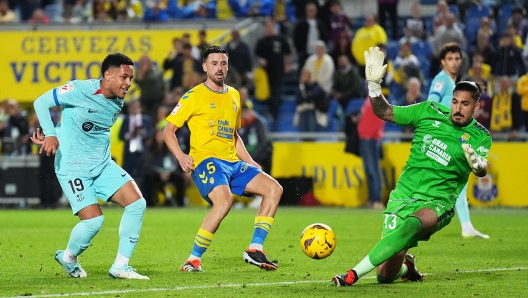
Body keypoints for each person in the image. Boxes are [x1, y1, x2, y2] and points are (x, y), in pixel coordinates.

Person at [333, 46, 492, 286]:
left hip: (437, 202)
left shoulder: (480, 136)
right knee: (385, 276)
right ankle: (406, 266)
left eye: (465, 104)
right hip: (404, 195)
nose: (458, 109)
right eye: (455, 102)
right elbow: (384, 112)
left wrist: (478, 165)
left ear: (476, 107)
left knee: (412, 225)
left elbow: (482, 168)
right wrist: (374, 86)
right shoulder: (429, 111)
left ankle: (352, 274)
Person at [163, 46, 283, 272]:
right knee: (224, 202)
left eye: (223, 63)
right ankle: (193, 259)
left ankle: (255, 249)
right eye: (215, 63)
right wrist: (180, 156)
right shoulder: (193, 95)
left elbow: (234, 135)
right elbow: (168, 131)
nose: (219, 68)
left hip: (233, 163)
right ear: (205, 66)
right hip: (207, 161)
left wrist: (250, 162)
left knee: (274, 189)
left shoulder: (235, 96)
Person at [30, 53, 149, 280]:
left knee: (137, 204)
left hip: (102, 164)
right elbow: (41, 103)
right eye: (124, 77)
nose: (128, 83)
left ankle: (121, 266)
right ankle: (68, 258)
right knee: (94, 221)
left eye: (131, 79)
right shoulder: (79, 90)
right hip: (73, 167)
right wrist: (51, 134)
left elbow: (83, 126)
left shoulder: (117, 100)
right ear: (108, 75)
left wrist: (56, 132)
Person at [427, 42, 489, 239]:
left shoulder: (453, 83)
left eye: (457, 59)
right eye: (450, 59)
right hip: (443, 135)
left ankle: (466, 225)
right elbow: (431, 103)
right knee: (455, 178)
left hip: (450, 134)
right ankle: (464, 226)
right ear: (443, 62)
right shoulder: (441, 81)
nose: (454, 63)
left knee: (458, 179)